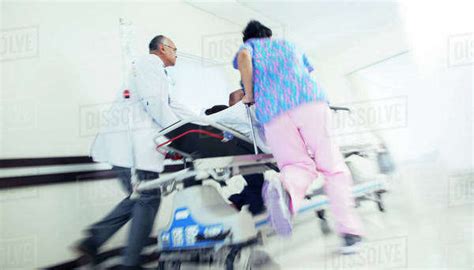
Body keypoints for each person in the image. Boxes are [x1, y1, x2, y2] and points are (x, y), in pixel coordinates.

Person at [233, 20, 363, 254]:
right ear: (268, 35)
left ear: (248, 38)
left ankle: (283, 186)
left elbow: (244, 59)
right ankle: (350, 233)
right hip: (308, 102)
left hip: (273, 113)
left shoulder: (249, 48)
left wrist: (249, 95)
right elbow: (307, 72)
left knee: (295, 165)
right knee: (332, 167)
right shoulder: (289, 46)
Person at [76, 35, 187, 269]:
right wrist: (179, 136)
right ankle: (129, 263)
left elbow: (171, 105)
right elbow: (155, 104)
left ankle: (94, 239)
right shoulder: (149, 64)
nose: (177, 54)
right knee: (148, 198)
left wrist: (202, 122)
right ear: (163, 48)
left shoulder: (158, 73)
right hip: (133, 153)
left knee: (140, 198)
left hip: (131, 152)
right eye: (175, 49)